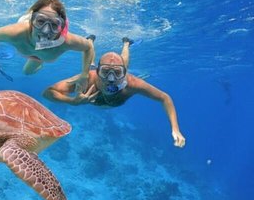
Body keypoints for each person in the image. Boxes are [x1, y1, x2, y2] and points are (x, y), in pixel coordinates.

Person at [43, 36, 186, 148]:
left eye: (117, 73)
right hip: (94, 71)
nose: (111, 79)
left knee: (123, 63)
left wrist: (175, 129)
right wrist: (72, 102)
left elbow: (165, 98)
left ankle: (126, 44)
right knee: (90, 64)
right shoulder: (87, 79)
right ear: (98, 72)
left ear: (124, 74)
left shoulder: (133, 83)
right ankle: (90, 42)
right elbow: (48, 92)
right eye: (105, 72)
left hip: (123, 74)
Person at [0, 0, 94, 89]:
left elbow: (88, 47)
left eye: (54, 25)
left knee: (27, 72)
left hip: (37, 54)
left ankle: (42, 52)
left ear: (61, 27)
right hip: (35, 52)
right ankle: (40, 57)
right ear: (31, 21)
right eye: (40, 21)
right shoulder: (17, 33)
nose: (46, 31)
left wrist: (84, 75)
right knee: (27, 73)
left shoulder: (66, 41)